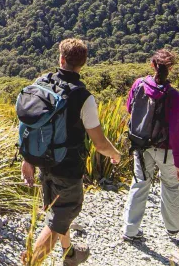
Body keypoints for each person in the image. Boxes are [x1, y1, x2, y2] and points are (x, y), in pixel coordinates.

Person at [21, 38, 124, 266]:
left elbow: (29, 125)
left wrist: (27, 159)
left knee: (59, 214)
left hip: (43, 162)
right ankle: (29, 263)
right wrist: (116, 154)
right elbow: (99, 143)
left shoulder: (42, 83)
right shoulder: (83, 97)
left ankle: (69, 254)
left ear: (61, 59)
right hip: (67, 168)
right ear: (83, 63)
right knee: (59, 218)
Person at [120, 49, 179, 242]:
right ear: (171, 68)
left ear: (152, 65)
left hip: (141, 145)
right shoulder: (173, 95)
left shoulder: (138, 85)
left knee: (140, 184)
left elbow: (129, 108)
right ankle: (174, 226)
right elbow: (176, 131)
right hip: (165, 149)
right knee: (170, 185)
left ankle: (130, 230)